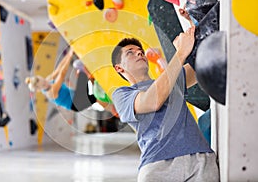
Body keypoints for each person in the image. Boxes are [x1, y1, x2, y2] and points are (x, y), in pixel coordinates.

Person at [111, 26, 220, 181]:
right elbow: (153, 100)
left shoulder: (171, 79)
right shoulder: (122, 95)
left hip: (200, 160)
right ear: (119, 68)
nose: (139, 53)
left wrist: (192, 27)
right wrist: (180, 53)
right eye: (130, 52)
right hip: (158, 168)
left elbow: (202, 63)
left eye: (140, 51)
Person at [26, 49, 118, 116]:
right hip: (75, 104)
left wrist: (70, 52)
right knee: (95, 98)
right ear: (39, 89)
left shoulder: (48, 80)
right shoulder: (51, 92)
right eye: (43, 85)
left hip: (76, 95)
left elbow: (58, 68)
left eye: (43, 80)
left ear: (41, 78)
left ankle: (95, 81)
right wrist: (70, 56)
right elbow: (62, 74)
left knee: (83, 74)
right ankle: (114, 110)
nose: (45, 83)